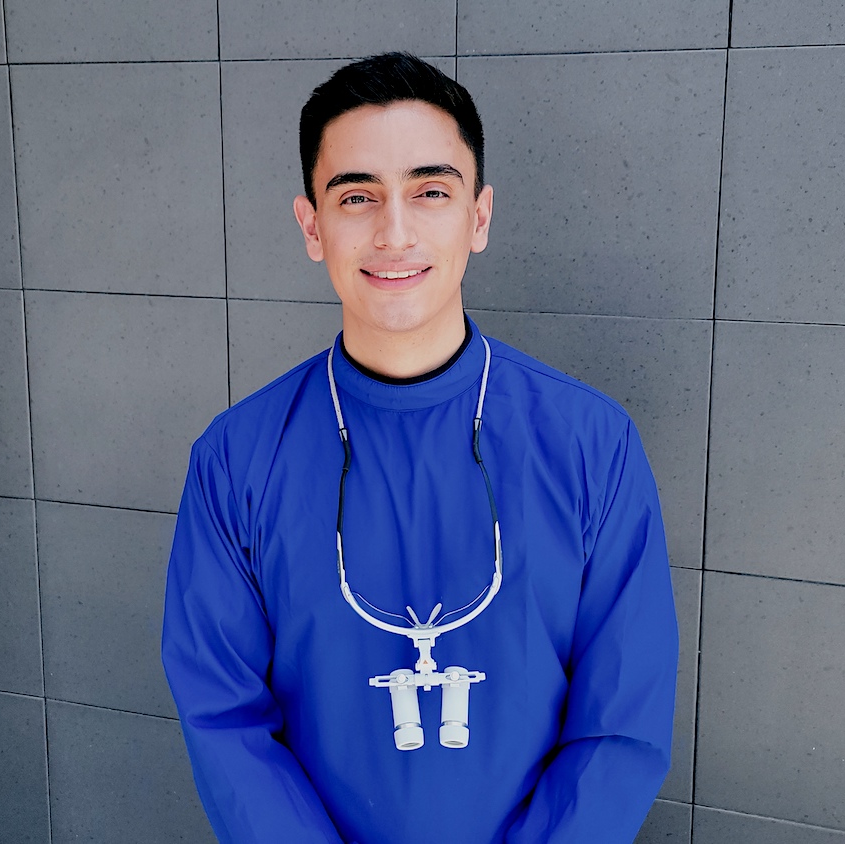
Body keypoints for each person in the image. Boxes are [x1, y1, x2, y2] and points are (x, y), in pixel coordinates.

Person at [161, 52, 677, 843]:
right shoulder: (236, 459)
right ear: (311, 226)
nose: (393, 232)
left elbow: (622, 722)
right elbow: (224, 722)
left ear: (479, 216)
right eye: (357, 196)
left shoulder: (590, 443)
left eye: (430, 191)